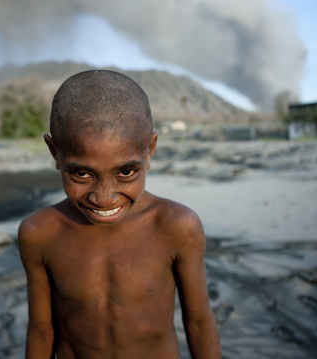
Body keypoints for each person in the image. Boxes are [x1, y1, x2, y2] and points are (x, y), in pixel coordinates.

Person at [18, 70, 221, 359]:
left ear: (149, 150)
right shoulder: (39, 233)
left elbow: (199, 322)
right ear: (55, 152)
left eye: (126, 172)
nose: (104, 198)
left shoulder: (176, 226)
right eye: (81, 173)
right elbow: (41, 330)